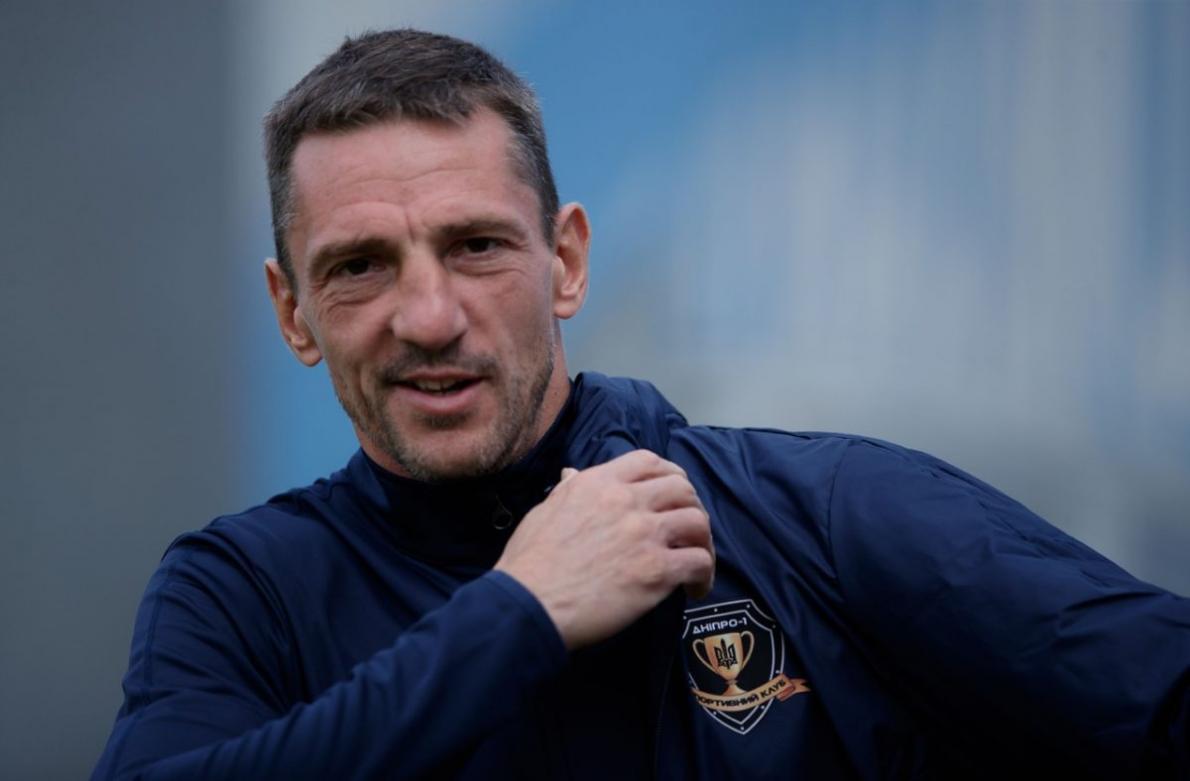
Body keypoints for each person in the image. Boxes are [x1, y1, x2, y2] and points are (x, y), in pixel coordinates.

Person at [92, 28, 1189, 780]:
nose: (427, 316)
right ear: (293, 313)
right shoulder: (239, 593)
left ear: (566, 262)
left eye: (475, 246)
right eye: (360, 266)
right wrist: (517, 614)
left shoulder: (820, 515)